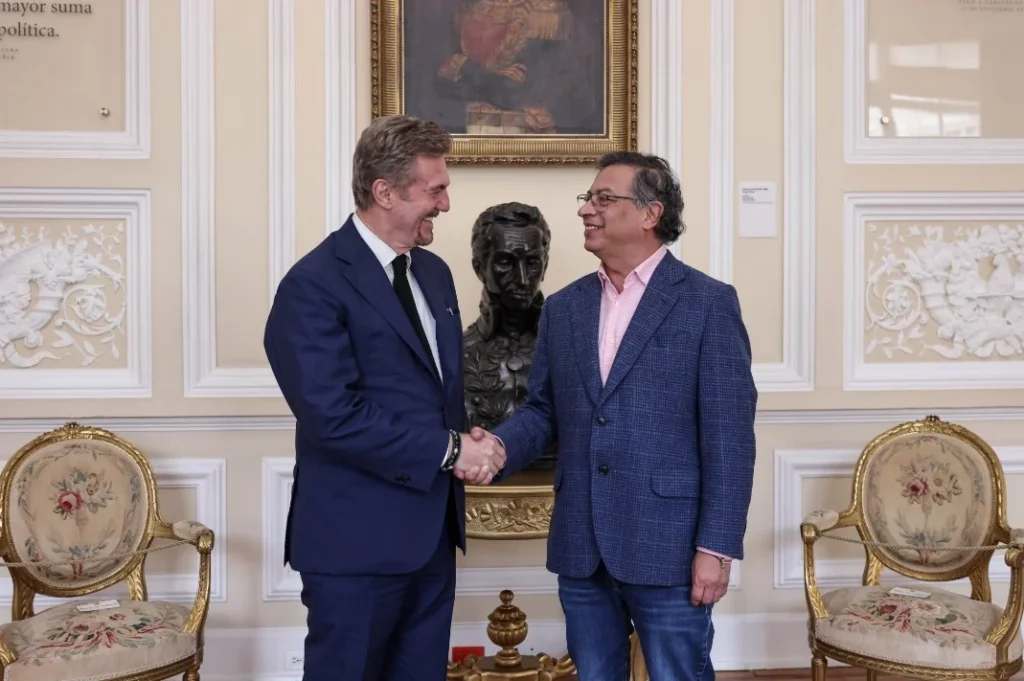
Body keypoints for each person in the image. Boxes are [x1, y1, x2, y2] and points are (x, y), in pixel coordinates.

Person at [464, 151, 758, 680]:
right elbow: (544, 411)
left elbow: (730, 440)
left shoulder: (707, 303)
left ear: (650, 213)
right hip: (582, 544)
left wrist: (716, 548)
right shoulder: (564, 308)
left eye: (603, 199)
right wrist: (499, 448)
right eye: (587, 198)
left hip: (669, 545)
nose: (586, 210)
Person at [263, 114, 506, 681]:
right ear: (384, 192)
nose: (446, 204)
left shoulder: (435, 274)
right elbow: (333, 417)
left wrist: (471, 439)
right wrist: (452, 451)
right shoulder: (312, 285)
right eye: (435, 190)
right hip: (355, 545)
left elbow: (432, 390)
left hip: (431, 537)